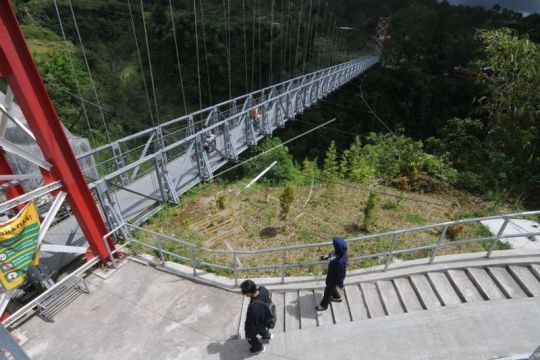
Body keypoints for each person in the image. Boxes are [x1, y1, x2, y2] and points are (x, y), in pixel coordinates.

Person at [240, 279, 273, 354]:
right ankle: (267, 336)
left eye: (245, 293)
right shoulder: (263, 289)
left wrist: (248, 334)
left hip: (257, 322)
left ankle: (259, 348)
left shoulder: (254, 308)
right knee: (262, 328)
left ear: (248, 293)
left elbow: (250, 324)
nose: (245, 295)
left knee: (250, 338)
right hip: (265, 318)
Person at [315, 237, 348, 311]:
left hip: (334, 278)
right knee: (329, 286)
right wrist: (325, 257)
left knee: (327, 292)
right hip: (331, 275)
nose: (333, 246)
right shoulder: (339, 252)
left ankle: (323, 306)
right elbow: (332, 255)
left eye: (334, 245)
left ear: (337, 247)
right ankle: (337, 297)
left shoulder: (340, 262)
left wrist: (341, 285)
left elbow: (341, 275)